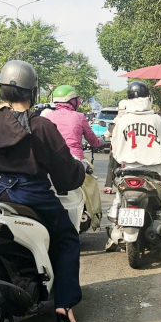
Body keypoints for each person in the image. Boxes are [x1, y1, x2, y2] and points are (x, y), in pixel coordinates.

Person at [0, 60, 86, 322]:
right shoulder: (40, 126)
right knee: (66, 238)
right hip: (31, 195)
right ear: (33, 92)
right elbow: (64, 170)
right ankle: (63, 304)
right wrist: (77, 174)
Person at [111, 81, 161, 245]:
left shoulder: (123, 121)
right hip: (155, 171)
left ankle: (116, 228)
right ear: (148, 99)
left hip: (129, 169)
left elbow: (115, 148)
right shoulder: (156, 120)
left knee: (119, 196)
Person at [44, 85, 103, 230]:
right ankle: (95, 217)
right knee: (92, 185)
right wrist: (99, 143)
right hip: (76, 161)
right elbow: (92, 139)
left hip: (50, 163)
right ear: (71, 101)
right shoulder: (79, 117)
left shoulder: (47, 117)